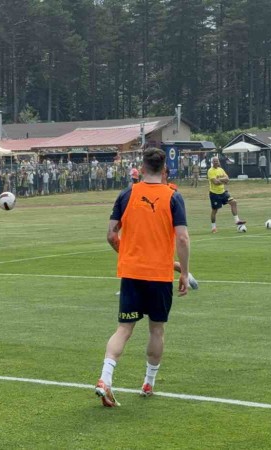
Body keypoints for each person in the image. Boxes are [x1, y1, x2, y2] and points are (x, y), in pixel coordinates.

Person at [95, 148, 191, 407]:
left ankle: (105, 379)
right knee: (156, 329)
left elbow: (111, 235)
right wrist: (184, 271)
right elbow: (182, 238)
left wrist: (127, 254)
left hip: (132, 273)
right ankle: (148, 383)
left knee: (124, 329)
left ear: (142, 166)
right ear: (165, 168)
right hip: (159, 276)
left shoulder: (127, 194)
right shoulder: (173, 197)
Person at [207, 156, 246, 233]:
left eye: (217, 161)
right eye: (214, 161)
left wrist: (219, 179)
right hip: (214, 194)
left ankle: (237, 220)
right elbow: (215, 182)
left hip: (223, 192)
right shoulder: (210, 171)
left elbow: (227, 179)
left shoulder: (221, 170)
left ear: (218, 162)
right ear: (212, 162)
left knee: (233, 202)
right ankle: (213, 227)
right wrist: (223, 180)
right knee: (214, 210)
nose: (216, 162)